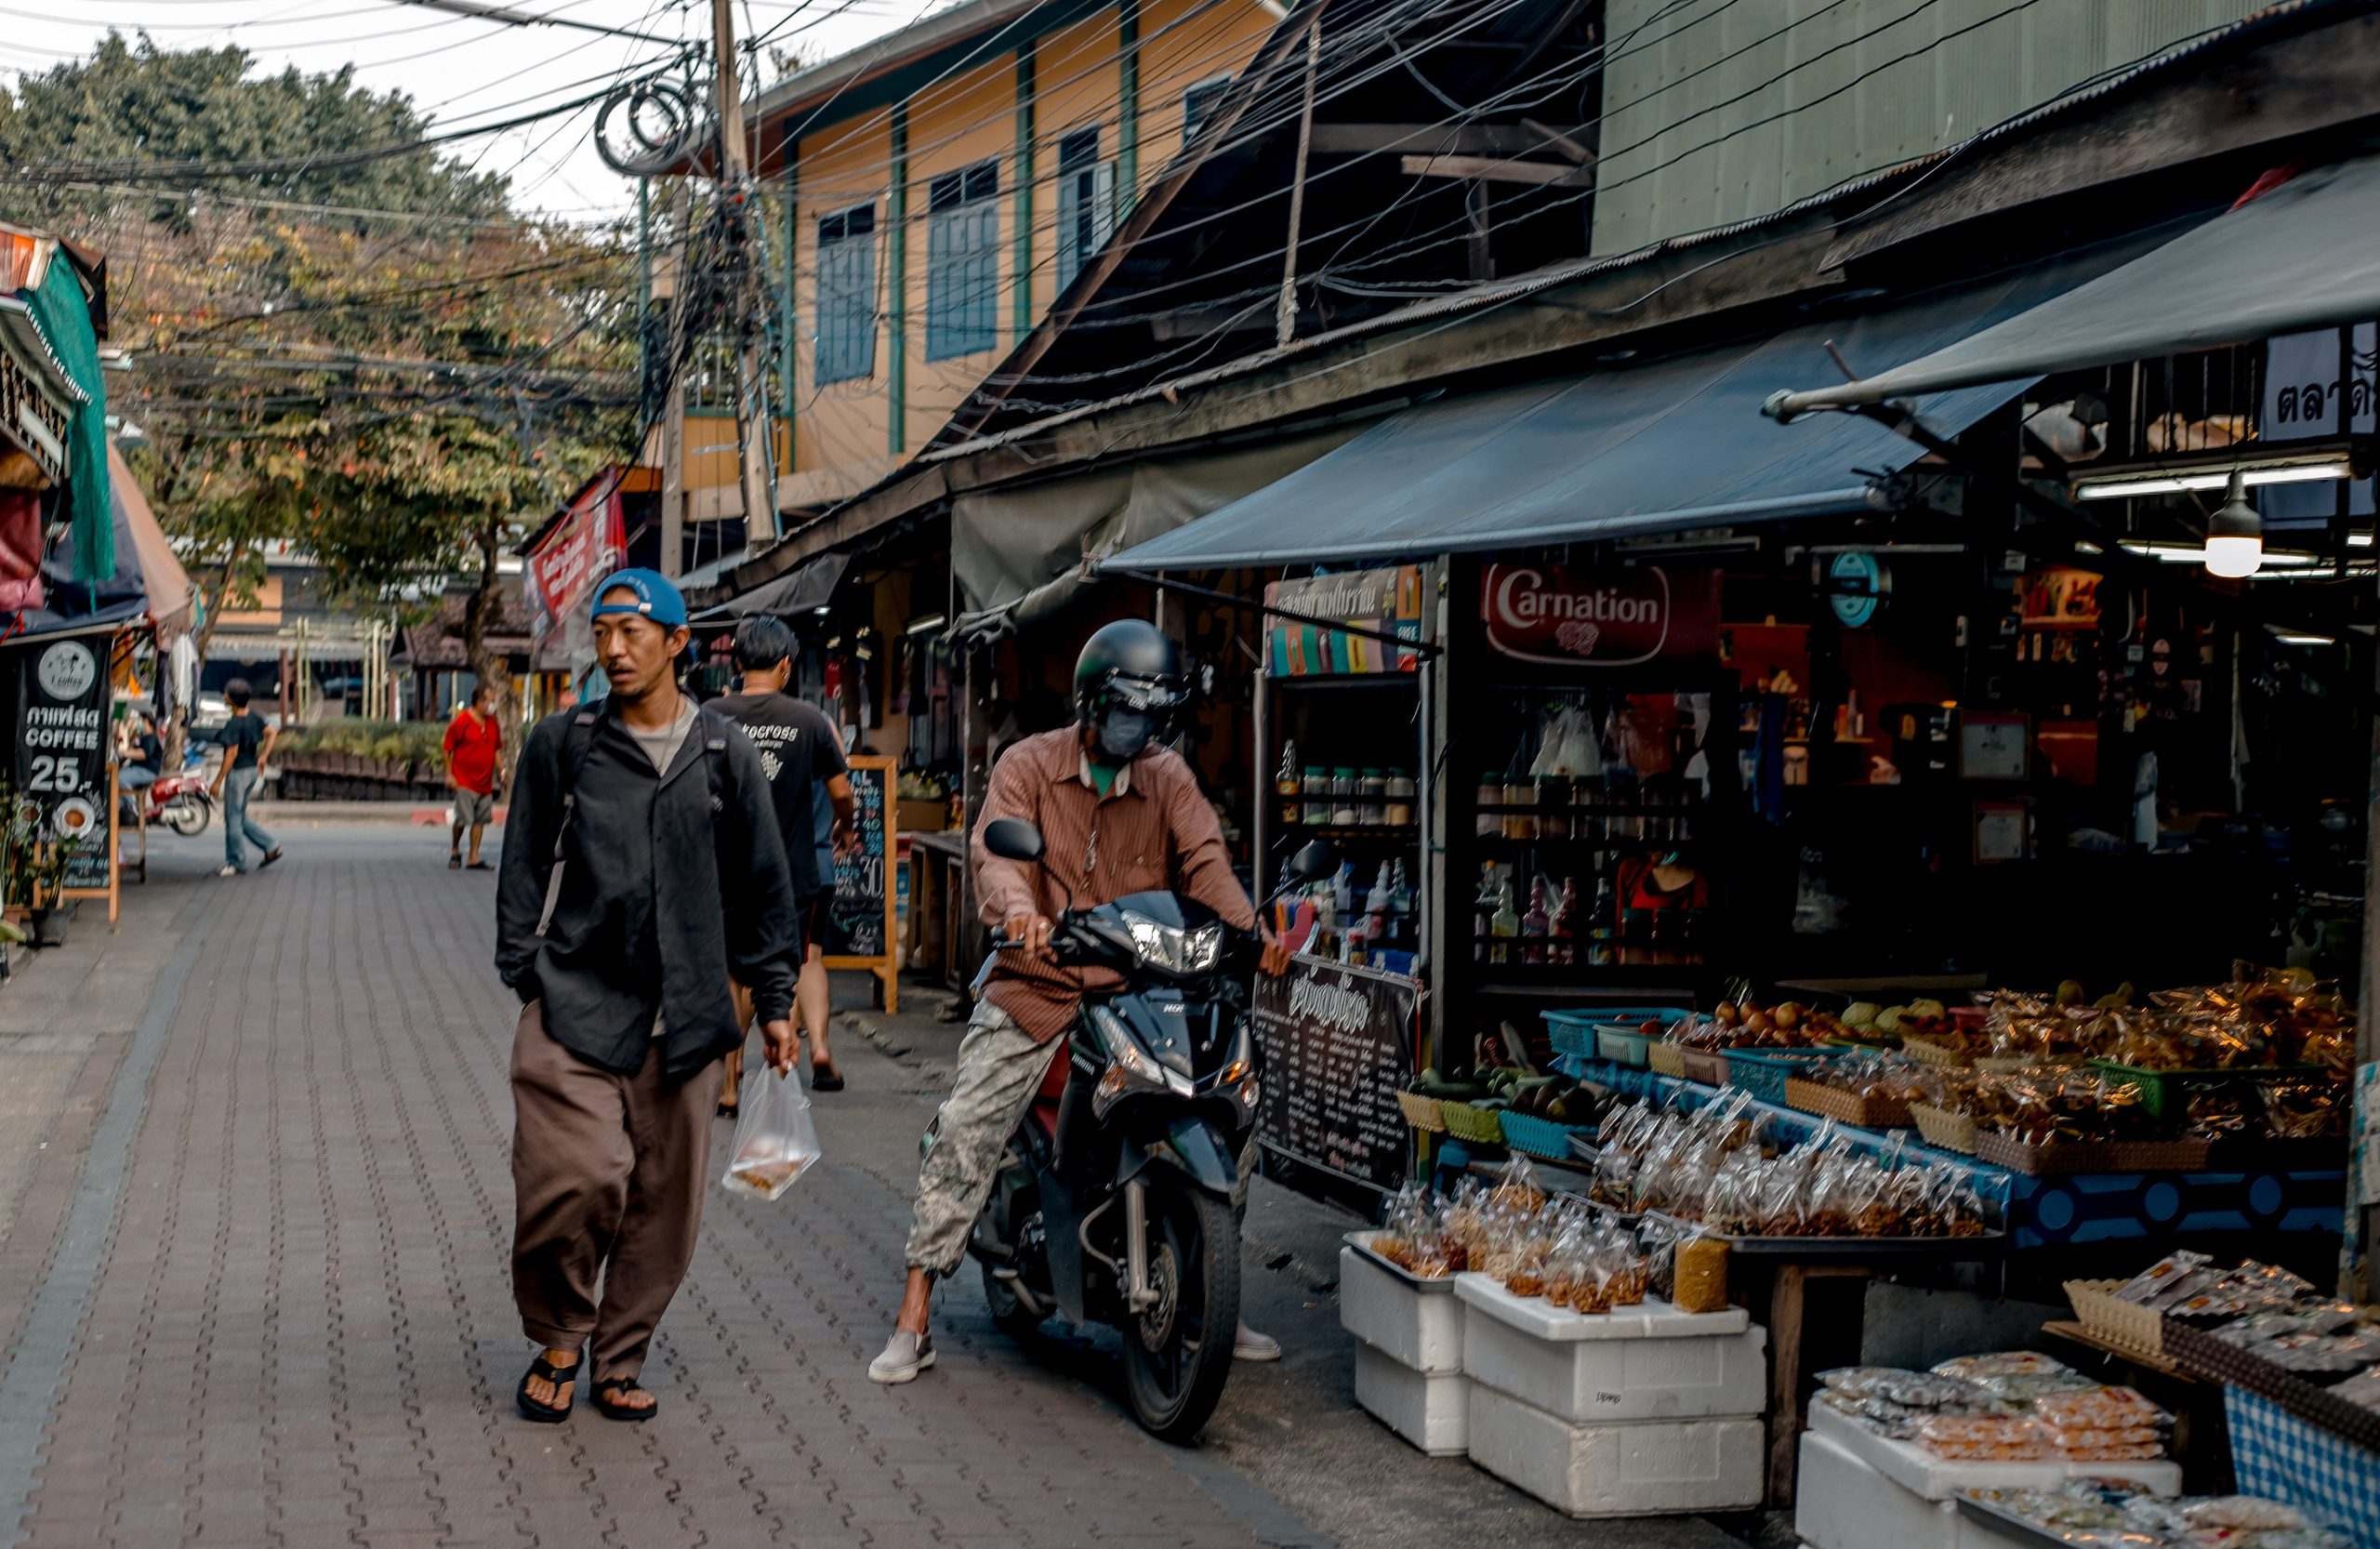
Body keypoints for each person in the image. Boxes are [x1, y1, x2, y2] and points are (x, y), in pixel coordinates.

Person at [868, 619, 1289, 1385]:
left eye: (1149, 717)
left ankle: (1212, 1297)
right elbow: (997, 854)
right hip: (1040, 985)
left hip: (1145, 988)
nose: (1136, 729)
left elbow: (1207, 865)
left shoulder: (1169, 777)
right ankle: (916, 1312)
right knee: (969, 1126)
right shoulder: (1028, 764)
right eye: (1124, 711)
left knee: (1231, 1113)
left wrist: (1251, 931)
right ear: (1091, 704)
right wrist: (1017, 911)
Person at [495, 568, 803, 1424]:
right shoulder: (568, 743)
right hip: (576, 1007)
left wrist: (775, 1000)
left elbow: (764, 888)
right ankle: (560, 1338)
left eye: (633, 632)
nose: (615, 648)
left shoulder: (722, 754)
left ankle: (618, 1359)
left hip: (691, 1020)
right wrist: (526, 966)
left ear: (677, 644)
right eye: (603, 632)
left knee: (664, 1206)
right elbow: (522, 862)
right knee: (576, 1178)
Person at [709, 616, 855, 1116]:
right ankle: (788, 1062)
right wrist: (844, 826)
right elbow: (841, 794)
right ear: (787, 665)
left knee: (731, 975)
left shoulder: (708, 714)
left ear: (738, 663)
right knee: (788, 966)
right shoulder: (810, 720)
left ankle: (728, 1085)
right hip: (790, 873)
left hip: (724, 873)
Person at [208, 680, 281, 877]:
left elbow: (230, 755)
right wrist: (263, 756)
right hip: (252, 772)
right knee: (238, 816)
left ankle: (236, 862)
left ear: (231, 699)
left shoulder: (234, 724)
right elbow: (272, 731)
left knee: (232, 819)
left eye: (226, 694)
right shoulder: (253, 717)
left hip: (238, 774)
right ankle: (270, 844)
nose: (224, 696)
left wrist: (217, 781)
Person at [443, 682, 504, 870]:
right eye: (490, 701)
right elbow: (447, 750)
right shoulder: (461, 722)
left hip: (485, 783)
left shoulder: (492, 723)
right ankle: (455, 850)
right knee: (462, 819)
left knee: (480, 820)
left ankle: (473, 857)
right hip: (464, 781)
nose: (492, 705)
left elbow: (496, 749)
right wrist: (449, 775)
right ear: (479, 701)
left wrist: (502, 771)